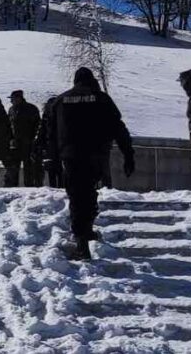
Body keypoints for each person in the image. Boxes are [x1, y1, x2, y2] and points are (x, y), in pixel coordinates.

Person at [46, 67, 136, 261]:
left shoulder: (61, 100)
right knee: (88, 192)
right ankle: (85, 233)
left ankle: (81, 241)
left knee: (77, 196)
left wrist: (52, 159)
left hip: (70, 157)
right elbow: (118, 127)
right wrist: (128, 154)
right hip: (96, 155)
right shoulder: (101, 98)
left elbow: (51, 135)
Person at [7, 90, 42, 187]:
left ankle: (29, 187)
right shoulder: (11, 110)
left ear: (19, 98)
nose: (11, 101)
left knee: (28, 167)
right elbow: (8, 126)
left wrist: (33, 139)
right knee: (14, 167)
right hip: (15, 143)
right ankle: (13, 187)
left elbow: (38, 125)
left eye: (13, 99)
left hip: (28, 142)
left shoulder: (31, 109)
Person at [34, 96, 62, 188]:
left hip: (59, 146)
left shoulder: (60, 115)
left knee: (60, 170)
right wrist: (38, 144)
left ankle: (60, 188)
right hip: (51, 146)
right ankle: (54, 188)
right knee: (52, 170)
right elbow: (42, 131)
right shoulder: (47, 116)